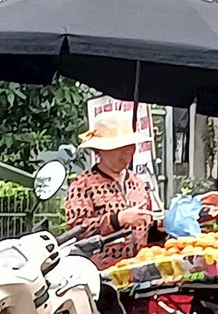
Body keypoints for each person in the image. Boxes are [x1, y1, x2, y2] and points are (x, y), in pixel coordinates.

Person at [63, 112, 159, 270]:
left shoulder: (138, 183)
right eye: (119, 148)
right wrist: (117, 220)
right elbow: (78, 231)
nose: (127, 153)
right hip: (102, 275)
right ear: (98, 150)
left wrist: (161, 223)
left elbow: (149, 227)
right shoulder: (82, 185)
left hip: (139, 272)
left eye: (129, 147)